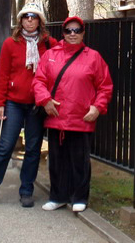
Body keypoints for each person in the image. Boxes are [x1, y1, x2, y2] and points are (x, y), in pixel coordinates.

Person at [0, 3, 58, 209]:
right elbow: (2, 74)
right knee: (5, 146)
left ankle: (26, 191)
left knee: (33, 148)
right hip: (14, 102)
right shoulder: (10, 43)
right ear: (21, 20)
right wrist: (0, 102)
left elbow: (65, 57)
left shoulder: (48, 44)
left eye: (34, 17)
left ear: (40, 21)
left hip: (37, 104)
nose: (30, 20)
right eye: (26, 17)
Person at [33, 15, 113, 213]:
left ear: (83, 33)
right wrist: (45, 99)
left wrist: (97, 107)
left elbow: (105, 86)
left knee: (80, 160)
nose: (72, 34)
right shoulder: (50, 55)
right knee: (56, 159)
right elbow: (39, 81)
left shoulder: (93, 57)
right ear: (63, 33)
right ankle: (57, 196)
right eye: (68, 30)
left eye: (77, 30)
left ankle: (80, 197)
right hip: (56, 116)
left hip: (81, 117)